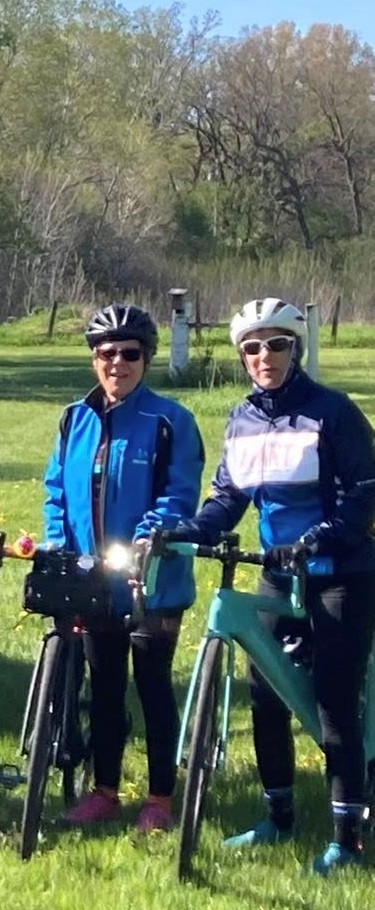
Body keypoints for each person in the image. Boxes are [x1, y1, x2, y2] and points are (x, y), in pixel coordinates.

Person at [162, 297, 375, 875]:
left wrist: (320, 539)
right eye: (252, 347)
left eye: (276, 344)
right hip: (277, 572)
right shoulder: (242, 419)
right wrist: (193, 529)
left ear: (295, 349)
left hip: (340, 573)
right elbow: (229, 497)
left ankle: (346, 837)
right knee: (266, 696)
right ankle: (278, 817)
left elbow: (363, 492)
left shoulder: (332, 413)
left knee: (334, 699)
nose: (264, 356)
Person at [41, 304, 203, 833]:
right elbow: (56, 492)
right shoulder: (74, 418)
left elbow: (180, 493)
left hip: (154, 581)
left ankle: (160, 797)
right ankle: (104, 790)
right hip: (94, 580)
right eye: (106, 353)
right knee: (104, 688)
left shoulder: (170, 421)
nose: (117, 363)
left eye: (129, 353)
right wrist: (60, 545)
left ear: (146, 358)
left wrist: (146, 537)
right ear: (93, 359)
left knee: (153, 686)